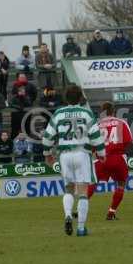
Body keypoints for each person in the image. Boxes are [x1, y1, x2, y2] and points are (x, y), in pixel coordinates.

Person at [43, 85, 106, 236]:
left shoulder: (58, 113)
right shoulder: (86, 113)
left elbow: (47, 136)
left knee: (68, 189)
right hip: (82, 153)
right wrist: (101, 153)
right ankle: (81, 228)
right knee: (83, 192)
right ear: (80, 98)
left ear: (66, 98)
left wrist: (47, 153)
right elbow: (95, 135)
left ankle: (68, 215)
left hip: (64, 155)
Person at [87, 102, 133, 220]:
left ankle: (80, 207)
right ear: (113, 111)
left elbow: (91, 145)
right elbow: (129, 141)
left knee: (93, 183)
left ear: (102, 112)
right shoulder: (122, 122)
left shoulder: (96, 125)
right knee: (121, 184)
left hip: (101, 158)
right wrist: (120, 150)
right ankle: (111, 211)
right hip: (118, 158)